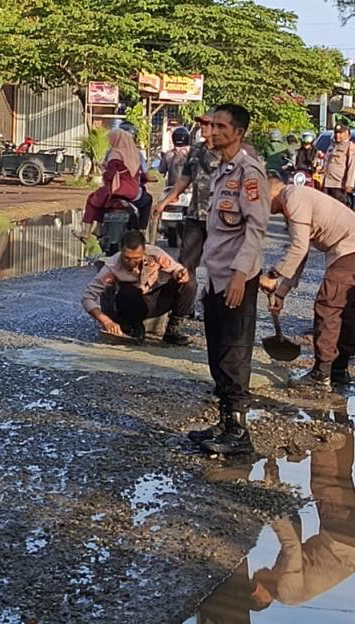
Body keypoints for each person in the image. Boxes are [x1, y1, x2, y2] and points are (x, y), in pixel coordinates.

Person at [187, 104, 270, 457]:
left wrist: (240, 275)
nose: (212, 132)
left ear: (239, 133)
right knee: (217, 351)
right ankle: (224, 421)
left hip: (237, 278)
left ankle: (239, 432)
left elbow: (256, 229)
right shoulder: (222, 170)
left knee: (235, 353)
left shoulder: (250, 173)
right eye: (211, 126)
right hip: (216, 276)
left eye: (221, 127)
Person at [261, 175, 355, 392]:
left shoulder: (293, 199)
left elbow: (299, 249)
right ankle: (339, 371)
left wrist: (273, 274)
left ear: (270, 194)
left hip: (351, 247)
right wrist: (282, 293)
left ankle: (322, 374)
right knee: (342, 309)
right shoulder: (295, 198)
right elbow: (300, 253)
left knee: (328, 307)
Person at [245, 439, 355, 610]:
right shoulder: (285, 590)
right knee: (324, 481)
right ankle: (326, 434)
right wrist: (274, 514)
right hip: (341, 545)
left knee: (340, 479)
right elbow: (292, 545)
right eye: (253, 581)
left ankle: (342, 422)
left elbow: (294, 529)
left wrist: (273, 478)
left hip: (348, 545)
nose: (255, 575)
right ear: (258, 592)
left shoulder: (282, 585)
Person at [80, 230, 193, 345]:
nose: (131, 262)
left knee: (189, 283)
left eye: (136, 258)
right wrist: (106, 321)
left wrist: (180, 274)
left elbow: (177, 269)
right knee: (128, 292)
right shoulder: (112, 266)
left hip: (157, 300)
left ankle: (173, 329)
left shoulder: (155, 254)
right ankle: (135, 327)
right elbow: (88, 297)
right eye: (127, 258)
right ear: (120, 249)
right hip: (132, 304)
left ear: (144, 250)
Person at [153, 115, 220, 277]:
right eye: (201, 124)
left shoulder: (226, 152)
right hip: (195, 214)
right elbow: (184, 179)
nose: (203, 127)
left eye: (207, 124)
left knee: (218, 265)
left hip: (218, 216)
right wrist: (163, 203)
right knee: (185, 264)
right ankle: (184, 299)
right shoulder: (196, 150)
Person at [79, 129, 146, 239]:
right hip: (133, 191)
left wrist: (104, 172)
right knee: (102, 200)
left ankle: (86, 232)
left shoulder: (115, 153)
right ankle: (141, 232)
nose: (110, 141)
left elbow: (110, 176)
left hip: (118, 189)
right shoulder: (134, 154)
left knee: (93, 200)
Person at [321, 124, 355, 208]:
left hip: (339, 185)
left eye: (340, 133)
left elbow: (352, 166)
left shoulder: (350, 147)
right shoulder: (331, 147)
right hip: (327, 184)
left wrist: (349, 184)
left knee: (339, 209)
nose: (338, 135)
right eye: (336, 133)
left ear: (346, 134)